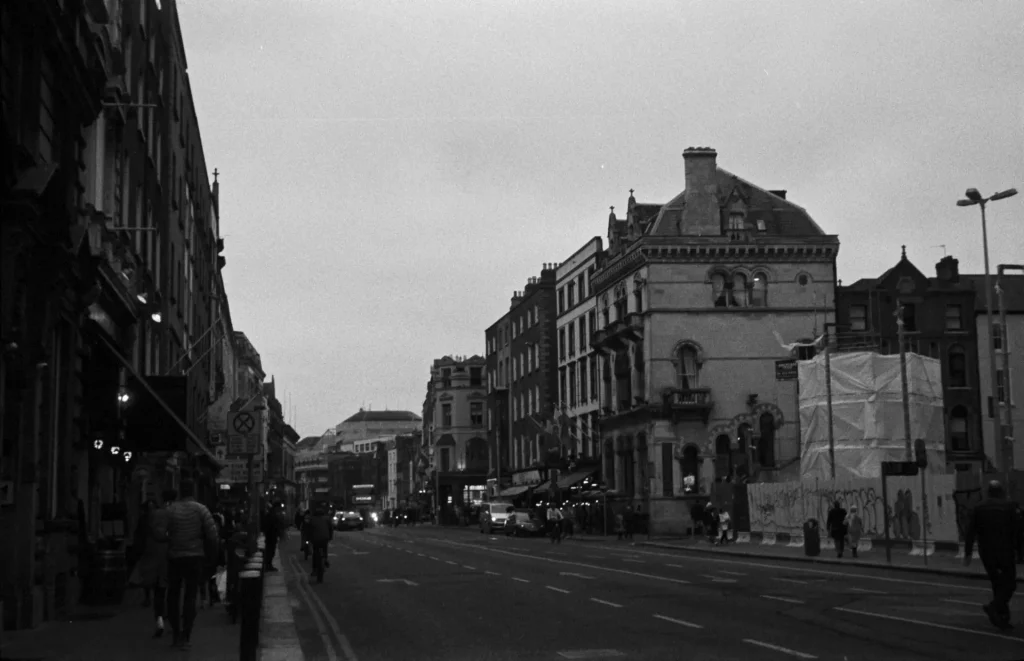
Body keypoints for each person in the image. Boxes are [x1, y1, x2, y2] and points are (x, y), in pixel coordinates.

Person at [165, 479, 219, 650]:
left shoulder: (170, 509)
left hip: (174, 557)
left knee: (173, 596)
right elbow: (212, 535)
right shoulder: (201, 509)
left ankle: (175, 634)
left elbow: (164, 532)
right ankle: (186, 635)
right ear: (193, 491)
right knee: (190, 596)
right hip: (195, 557)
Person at [964, 480, 1022, 630]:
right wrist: (1020, 552)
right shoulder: (1009, 507)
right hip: (1005, 550)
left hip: (987, 552)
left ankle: (1002, 617)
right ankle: (995, 607)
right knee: (1010, 583)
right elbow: (1018, 531)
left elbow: (971, 532)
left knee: (997, 584)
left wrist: (968, 553)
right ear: (1001, 492)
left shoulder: (979, 508)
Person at [132, 491, 174, 638]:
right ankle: (170, 618)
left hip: (152, 557)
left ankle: (159, 620)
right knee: (167, 589)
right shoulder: (170, 517)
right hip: (167, 557)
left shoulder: (148, 521)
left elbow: (140, 539)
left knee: (157, 592)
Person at [303, 504, 334, 578]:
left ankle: (314, 570)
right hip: (325, 538)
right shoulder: (327, 518)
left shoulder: (312, 519)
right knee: (324, 549)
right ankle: (325, 560)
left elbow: (308, 530)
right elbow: (331, 528)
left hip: (315, 539)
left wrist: (307, 539)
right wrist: (330, 537)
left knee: (315, 553)